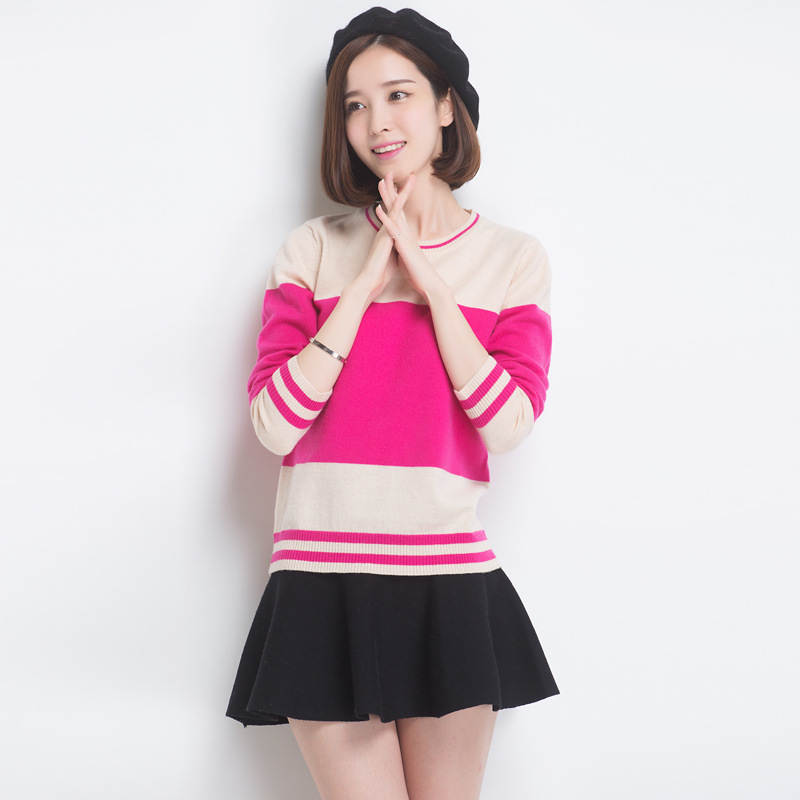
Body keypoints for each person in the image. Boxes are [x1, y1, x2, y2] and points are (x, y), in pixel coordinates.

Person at [227, 7, 558, 799]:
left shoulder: (513, 259)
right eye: (355, 103)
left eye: (399, 94)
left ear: (446, 106)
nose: (376, 121)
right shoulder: (311, 251)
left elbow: (508, 423)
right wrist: (365, 284)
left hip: (447, 580)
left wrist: (432, 284)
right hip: (321, 579)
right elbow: (274, 423)